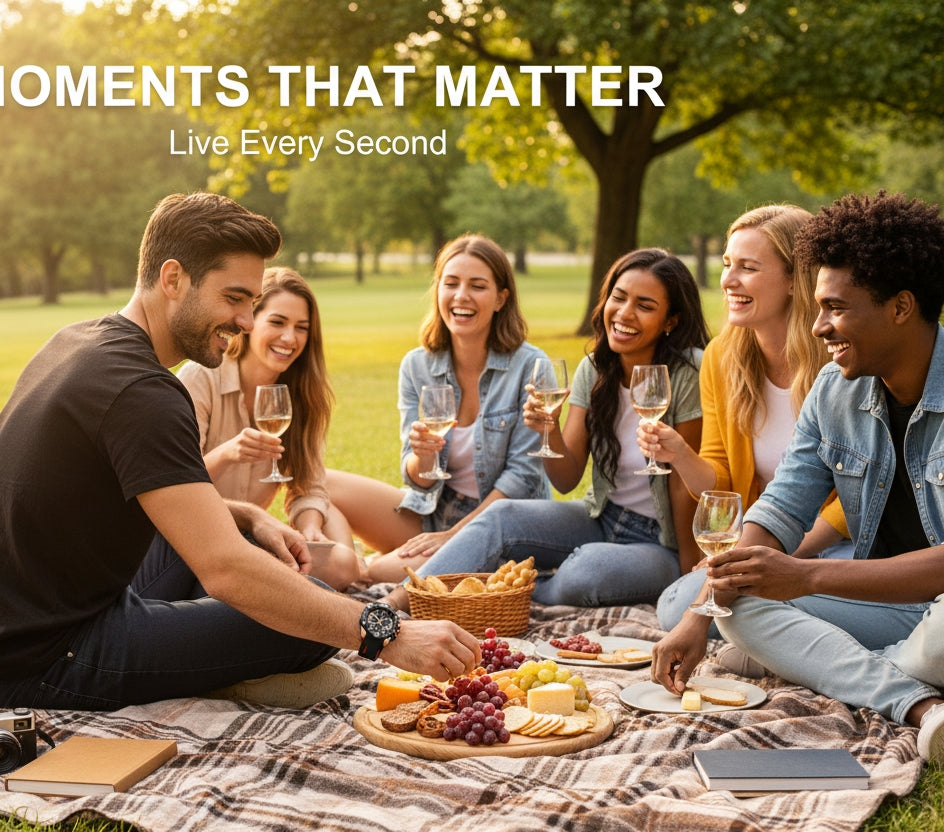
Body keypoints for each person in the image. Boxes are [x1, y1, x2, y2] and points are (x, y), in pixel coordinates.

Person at [0, 193, 480, 711]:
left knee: (298, 594)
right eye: (233, 298)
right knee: (314, 622)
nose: (247, 321)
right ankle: (210, 674)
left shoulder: (81, 340)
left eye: (251, 301)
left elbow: (129, 496)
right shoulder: (143, 392)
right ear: (173, 278)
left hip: (18, 628)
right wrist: (389, 635)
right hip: (43, 659)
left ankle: (200, 656)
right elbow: (225, 571)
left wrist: (247, 514)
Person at [650, 191, 944, 764]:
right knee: (731, 605)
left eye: (834, 308)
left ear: (901, 307)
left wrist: (805, 577)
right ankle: (918, 704)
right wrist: (697, 615)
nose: (817, 327)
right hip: (885, 600)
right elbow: (778, 511)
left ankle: (858, 661)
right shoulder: (835, 391)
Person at [389, 248, 710, 610]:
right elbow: (566, 478)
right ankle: (398, 601)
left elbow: (685, 488)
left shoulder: (687, 373)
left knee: (584, 569)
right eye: (618, 298)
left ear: (671, 320)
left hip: (661, 542)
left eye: (645, 306)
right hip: (601, 517)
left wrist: (688, 572)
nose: (624, 313)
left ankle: (508, 594)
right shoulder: (595, 369)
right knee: (500, 518)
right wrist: (550, 431)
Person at [638, 206, 851, 634]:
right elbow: (720, 484)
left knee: (715, 606)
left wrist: (779, 560)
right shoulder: (722, 357)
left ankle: (776, 638)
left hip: (839, 548)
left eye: (748, 268)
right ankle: (787, 640)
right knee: (675, 604)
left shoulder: (840, 359)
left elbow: (856, 495)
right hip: (764, 542)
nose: (728, 281)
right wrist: (680, 454)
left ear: (795, 279)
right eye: (727, 265)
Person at [325, 234, 552, 585]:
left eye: (477, 286)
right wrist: (423, 456)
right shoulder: (417, 366)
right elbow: (416, 478)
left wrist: (454, 536)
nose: (461, 296)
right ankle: (340, 563)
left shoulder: (531, 366)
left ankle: (359, 570)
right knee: (319, 483)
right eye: (451, 284)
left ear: (500, 299)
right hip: (436, 510)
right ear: (438, 292)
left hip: (502, 523)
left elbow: (523, 479)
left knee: (380, 572)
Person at [178, 267, 365, 591]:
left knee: (342, 564)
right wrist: (226, 454)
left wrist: (309, 527)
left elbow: (309, 486)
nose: (290, 338)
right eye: (277, 322)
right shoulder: (201, 378)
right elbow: (174, 486)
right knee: (283, 583)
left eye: (301, 328)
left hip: (253, 540)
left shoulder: (302, 396)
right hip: (191, 541)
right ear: (249, 323)